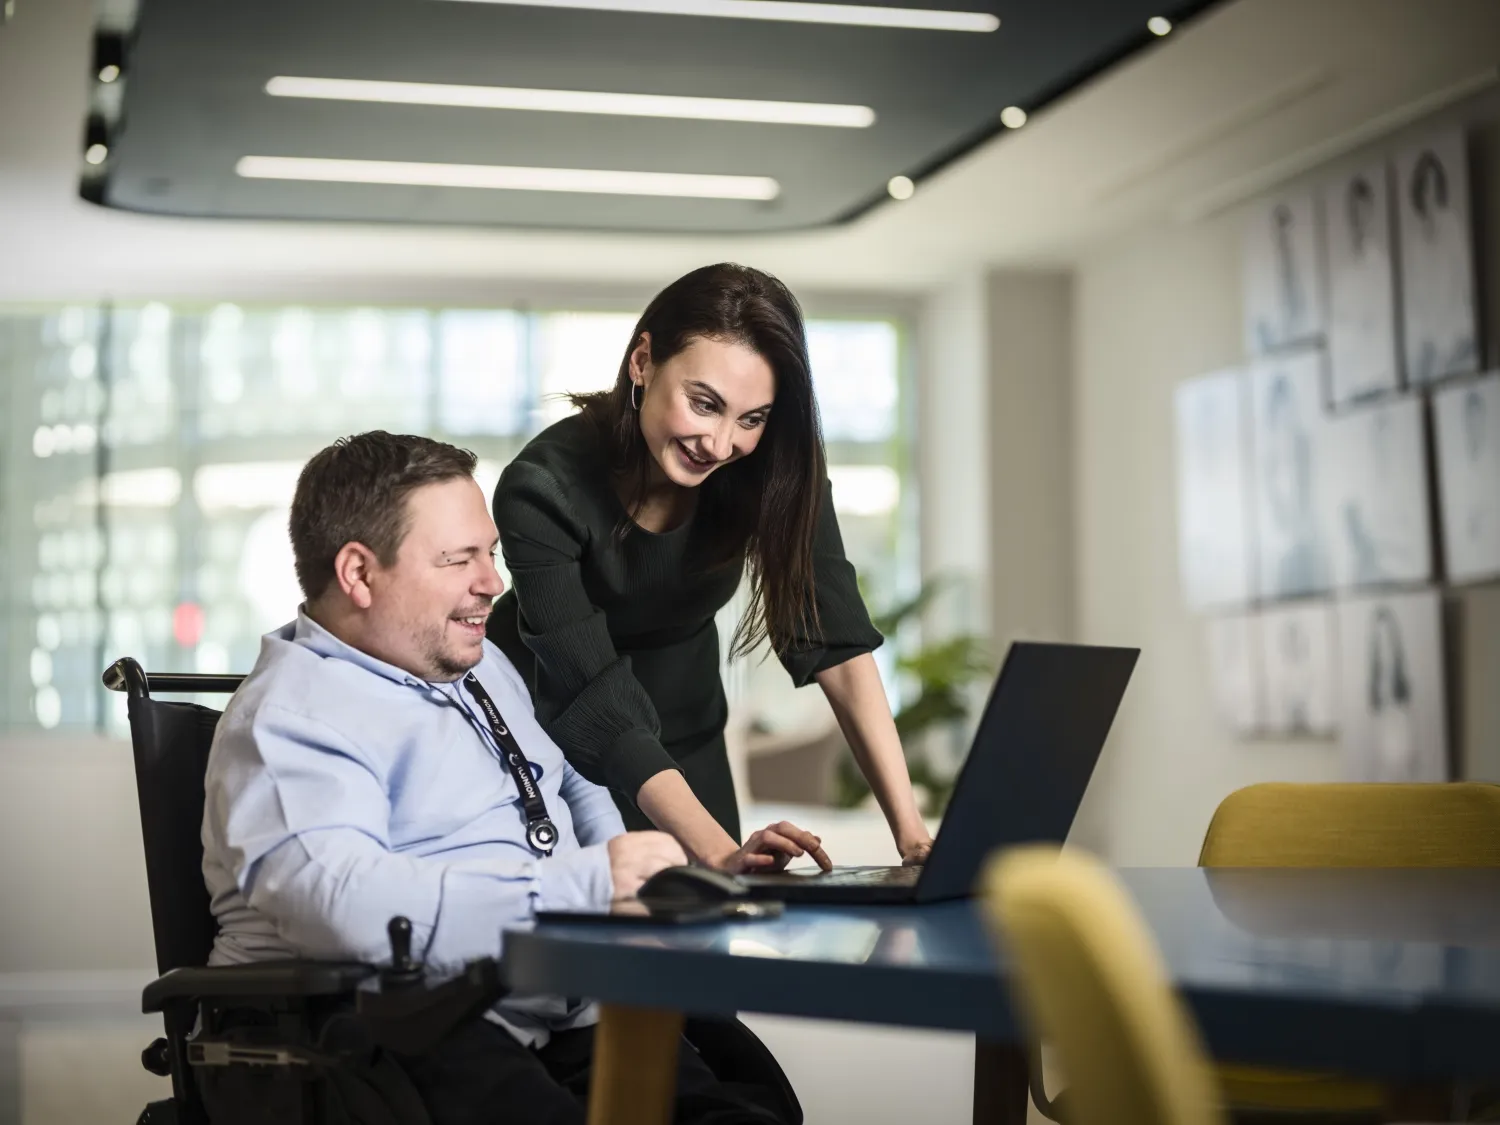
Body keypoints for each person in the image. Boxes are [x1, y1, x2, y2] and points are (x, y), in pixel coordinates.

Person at [201, 431, 788, 1125]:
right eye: (459, 560)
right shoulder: (290, 715)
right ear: (359, 573)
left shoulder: (473, 662)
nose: (493, 582)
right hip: (381, 1027)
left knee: (753, 1106)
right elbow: (341, 903)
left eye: (491, 552)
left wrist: (625, 894)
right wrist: (582, 887)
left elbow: (568, 775)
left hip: (544, 998)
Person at [489, 263, 933, 872]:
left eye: (750, 419)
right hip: (556, 736)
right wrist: (721, 853)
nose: (721, 445)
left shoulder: (773, 472)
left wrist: (913, 837)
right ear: (642, 361)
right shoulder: (541, 488)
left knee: (714, 929)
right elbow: (594, 692)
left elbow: (837, 644)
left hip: (689, 730)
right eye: (705, 404)